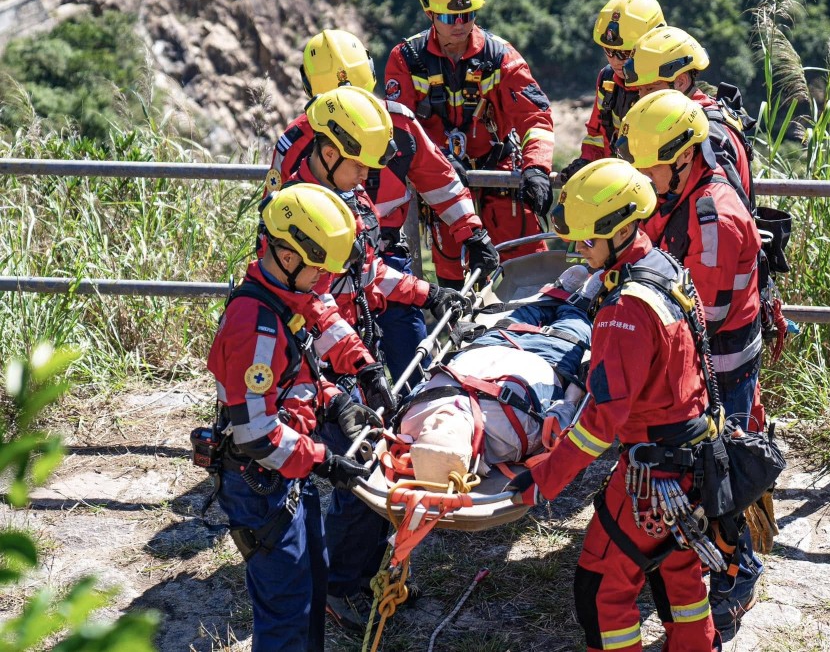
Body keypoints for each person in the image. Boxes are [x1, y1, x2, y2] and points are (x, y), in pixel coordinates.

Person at [280, 84, 473, 633]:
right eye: (360, 166)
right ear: (330, 153)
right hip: (315, 366)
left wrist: (425, 293)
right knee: (362, 470)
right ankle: (340, 588)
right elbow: (308, 308)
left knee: (374, 464)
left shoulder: (351, 201)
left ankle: (361, 573)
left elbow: (368, 275)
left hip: (348, 352)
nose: (369, 177)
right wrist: (361, 366)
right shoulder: (299, 218)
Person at [509, 158, 720, 652]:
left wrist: (543, 481)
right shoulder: (662, 266)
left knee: (603, 587)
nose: (579, 253)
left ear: (621, 230)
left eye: (586, 241)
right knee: (679, 575)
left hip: (654, 470)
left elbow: (602, 425)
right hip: (694, 457)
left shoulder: (625, 309)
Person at [206, 183, 383, 652]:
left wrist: (336, 400)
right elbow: (256, 433)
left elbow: (295, 381)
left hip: (285, 475)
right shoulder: (256, 324)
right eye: (319, 270)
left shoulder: (285, 303)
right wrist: (325, 461)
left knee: (310, 587)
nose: (325, 283)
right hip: (260, 482)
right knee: (285, 610)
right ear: (287, 255)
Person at [266, 28, 500, 381]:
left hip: (378, 261)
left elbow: (441, 183)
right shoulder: (385, 127)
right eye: (355, 162)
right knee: (339, 374)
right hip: (321, 269)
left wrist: (472, 235)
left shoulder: (393, 127)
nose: (363, 173)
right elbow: (279, 228)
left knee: (410, 368)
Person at [616, 91, 763, 640]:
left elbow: (702, 308)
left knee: (720, 479)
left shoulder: (713, 216)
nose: (644, 178)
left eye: (650, 166)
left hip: (720, 367)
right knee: (697, 476)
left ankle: (737, 578)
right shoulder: (679, 198)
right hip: (701, 361)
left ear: (682, 157)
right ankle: (699, 569)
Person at [384, 0, 555, 285]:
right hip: (439, 177)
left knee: (527, 265)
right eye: (450, 16)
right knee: (452, 273)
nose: (460, 24)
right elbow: (400, 128)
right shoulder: (407, 60)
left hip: (498, 169)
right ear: (429, 12)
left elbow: (535, 115)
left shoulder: (499, 56)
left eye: (468, 14)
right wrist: (440, 162)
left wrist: (536, 169)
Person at [398, 264, 593, 482]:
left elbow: (424, 382)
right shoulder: (509, 443)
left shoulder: (411, 420)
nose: (439, 421)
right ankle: (582, 301)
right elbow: (556, 422)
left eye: (428, 431)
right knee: (575, 328)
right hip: (546, 360)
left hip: (488, 347)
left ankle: (558, 290)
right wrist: (573, 395)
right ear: (470, 450)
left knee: (524, 314)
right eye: (448, 434)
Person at [623, 25, 754, 208]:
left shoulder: (703, 131)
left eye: (650, 88)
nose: (643, 98)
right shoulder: (700, 115)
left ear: (681, 81)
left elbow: (722, 203)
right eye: (640, 90)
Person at [558, 0, 665, 184]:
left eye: (624, 53)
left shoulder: (666, 85)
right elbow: (597, 135)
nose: (615, 61)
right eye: (609, 50)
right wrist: (587, 161)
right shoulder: (607, 80)